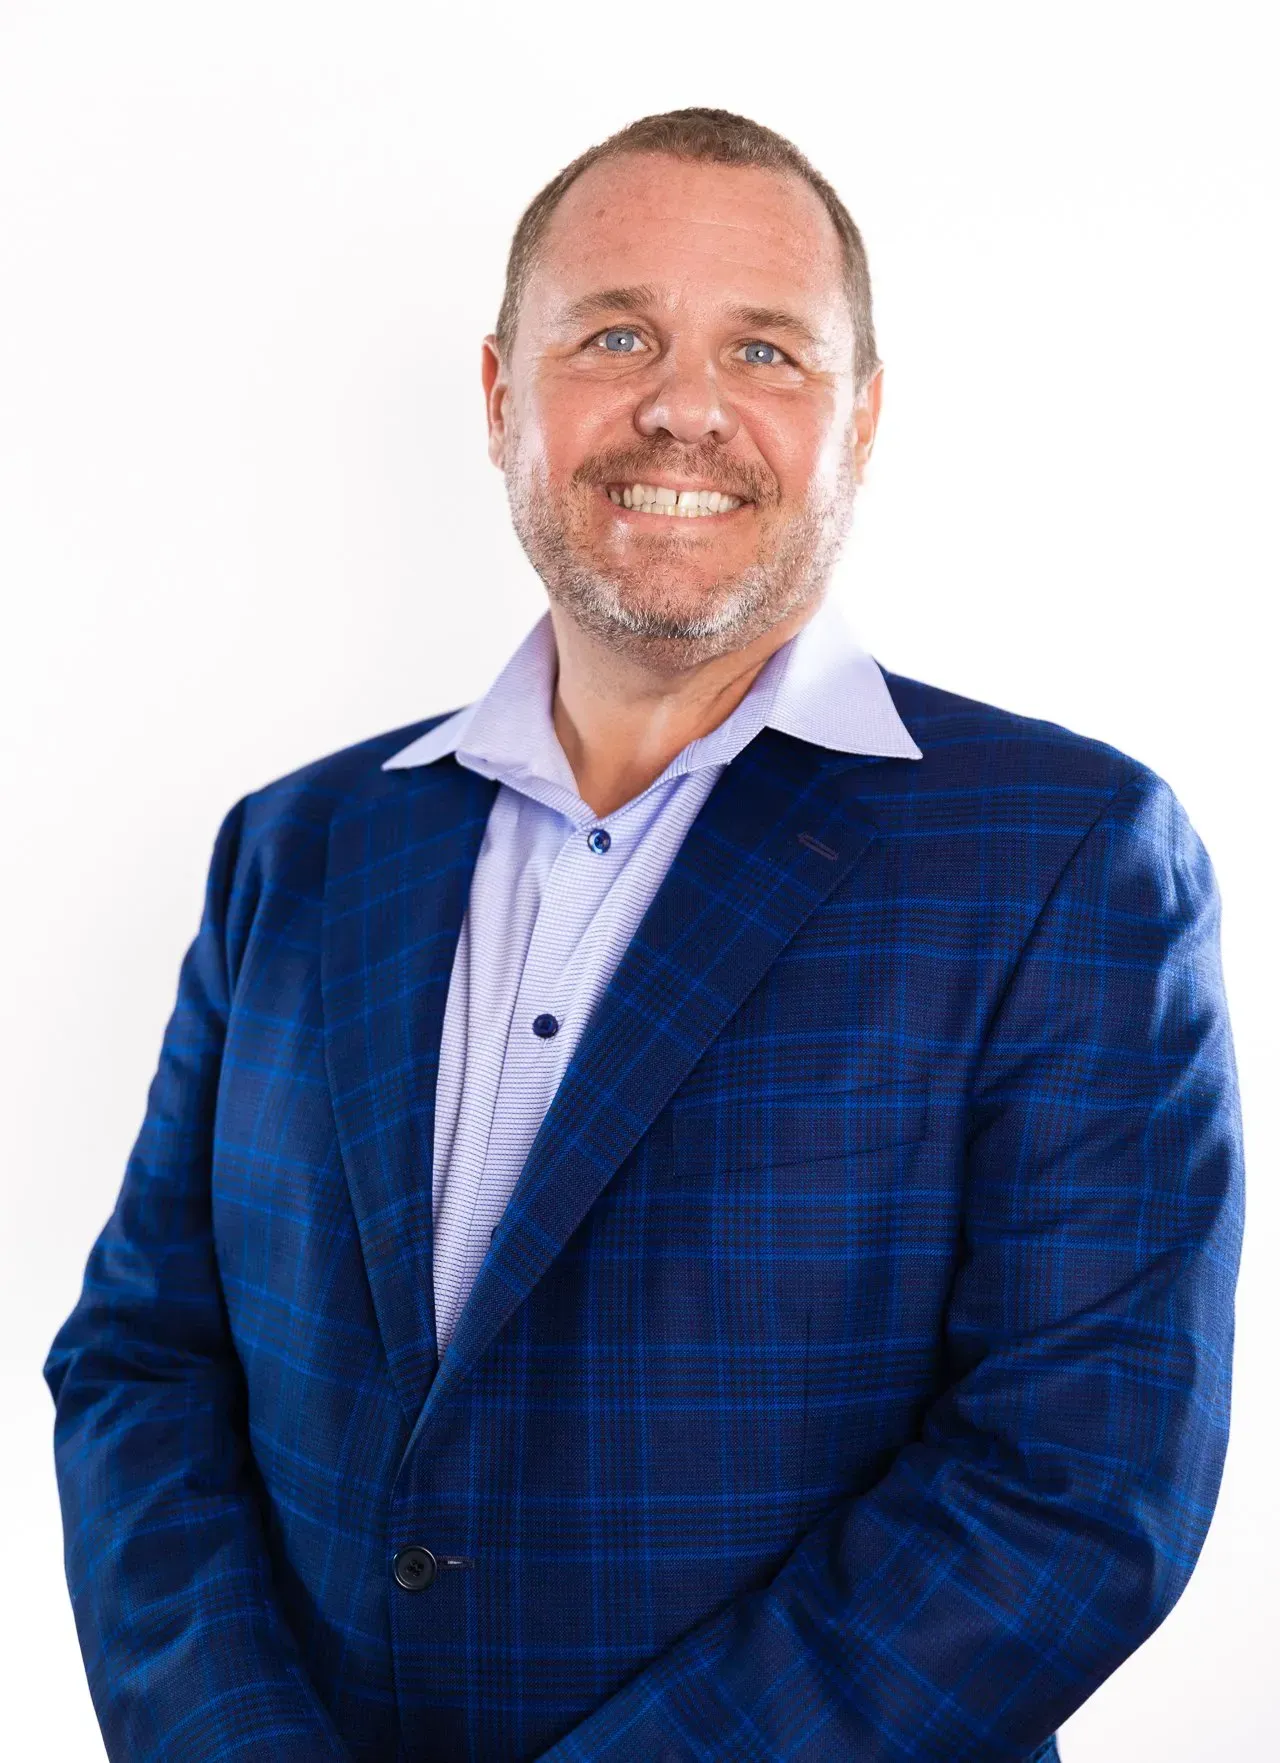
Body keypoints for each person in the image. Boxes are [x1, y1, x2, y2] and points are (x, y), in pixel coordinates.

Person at [45, 107, 1244, 1763]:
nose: (684, 404)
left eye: (766, 349)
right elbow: (142, 1364)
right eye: (616, 334)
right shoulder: (299, 848)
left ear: (861, 422)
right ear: (496, 397)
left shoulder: (1064, 854)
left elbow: (1076, 1482)